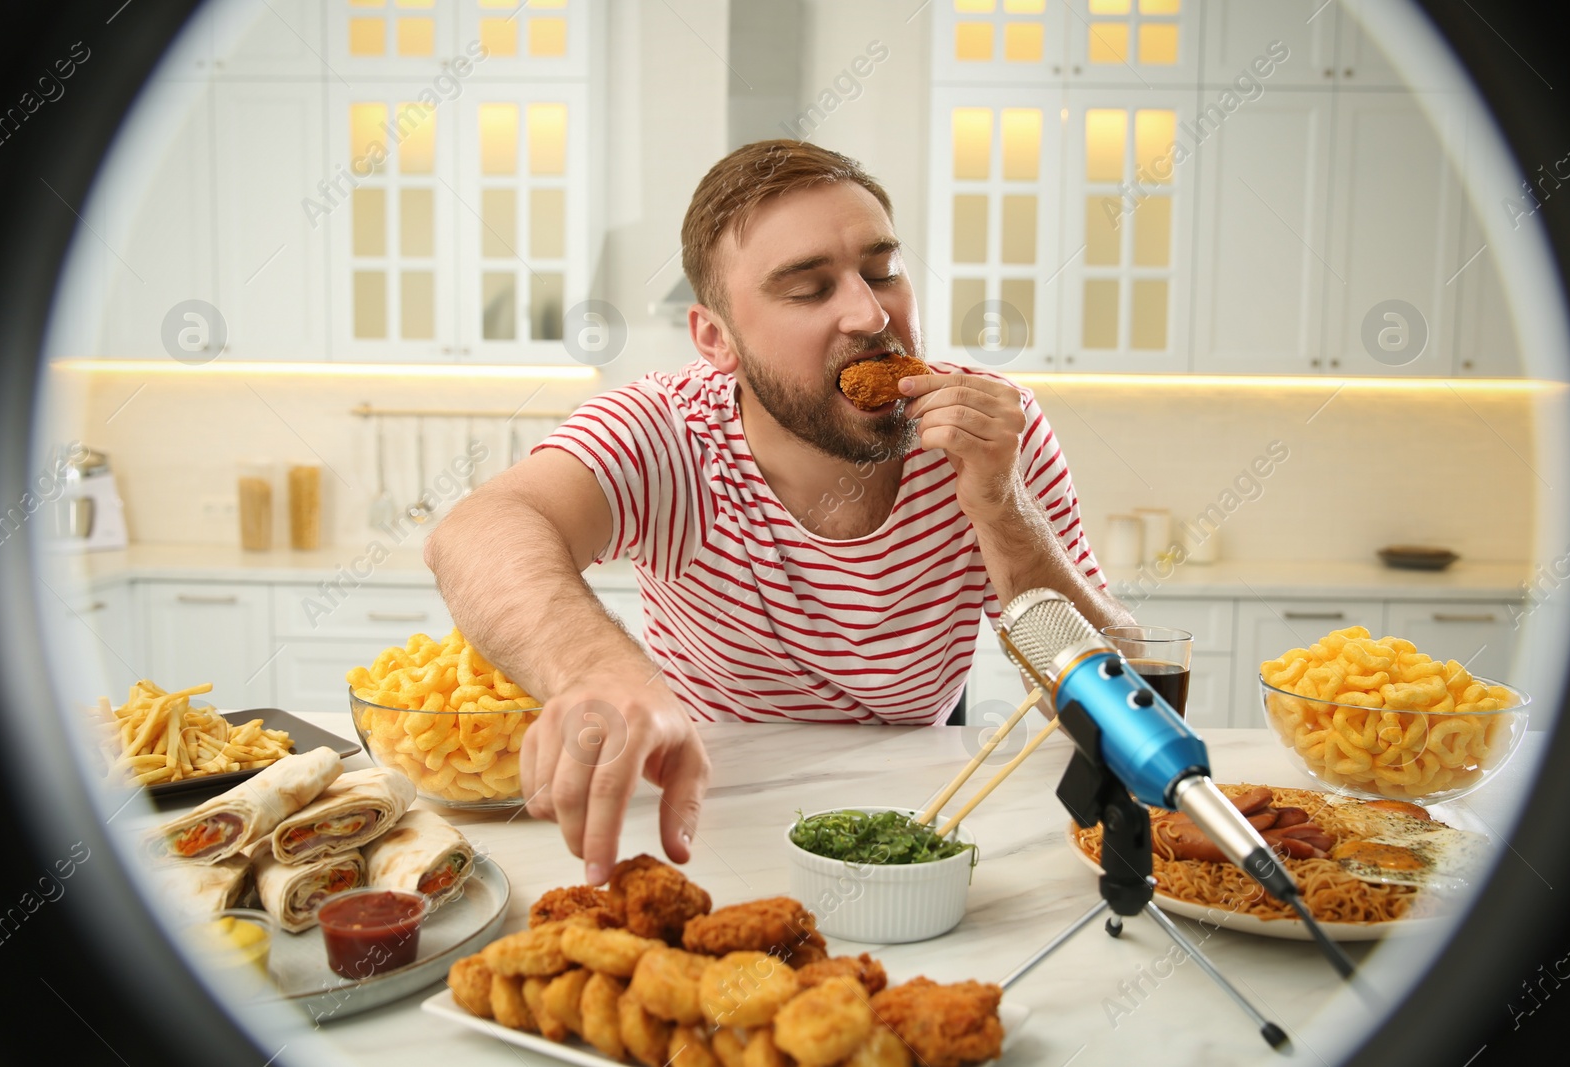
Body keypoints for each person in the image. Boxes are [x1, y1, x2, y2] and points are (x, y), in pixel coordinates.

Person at [424, 139, 1132, 886]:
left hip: (916, 819)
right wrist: (596, 671)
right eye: (809, 289)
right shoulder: (667, 431)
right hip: (706, 813)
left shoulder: (995, 427)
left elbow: (1119, 702)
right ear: (716, 340)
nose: (868, 313)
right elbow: (476, 528)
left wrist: (1002, 507)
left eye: (882, 270)